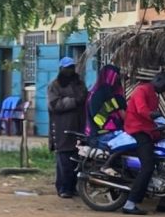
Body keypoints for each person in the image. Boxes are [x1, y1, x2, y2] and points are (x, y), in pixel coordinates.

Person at [120, 70, 165, 214]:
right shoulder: (141, 91)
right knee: (148, 165)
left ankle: (163, 201)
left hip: (149, 131)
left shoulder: (154, 95)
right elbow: (142, 110)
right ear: (158, 79)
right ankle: (130, 204)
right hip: (137, 131)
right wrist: (155, 116)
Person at [47, 59, 87, 198]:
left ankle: (72, 187)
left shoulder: (79, 84)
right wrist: (73, 101)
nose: (70, 70)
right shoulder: (54, 85)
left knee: (77, 158)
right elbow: (54, 104)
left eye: (71, 67)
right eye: (67, 68)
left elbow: (84, 98)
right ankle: (63, 188)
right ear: (61, 69)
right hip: (61, 127)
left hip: (79, 125)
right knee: (64, 159)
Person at [86, 65, 126, 136]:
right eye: (114, 78)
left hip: (110, 132)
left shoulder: (114, 94)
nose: (116, 81)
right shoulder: (101, 94)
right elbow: (99, 119)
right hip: (102, 134)